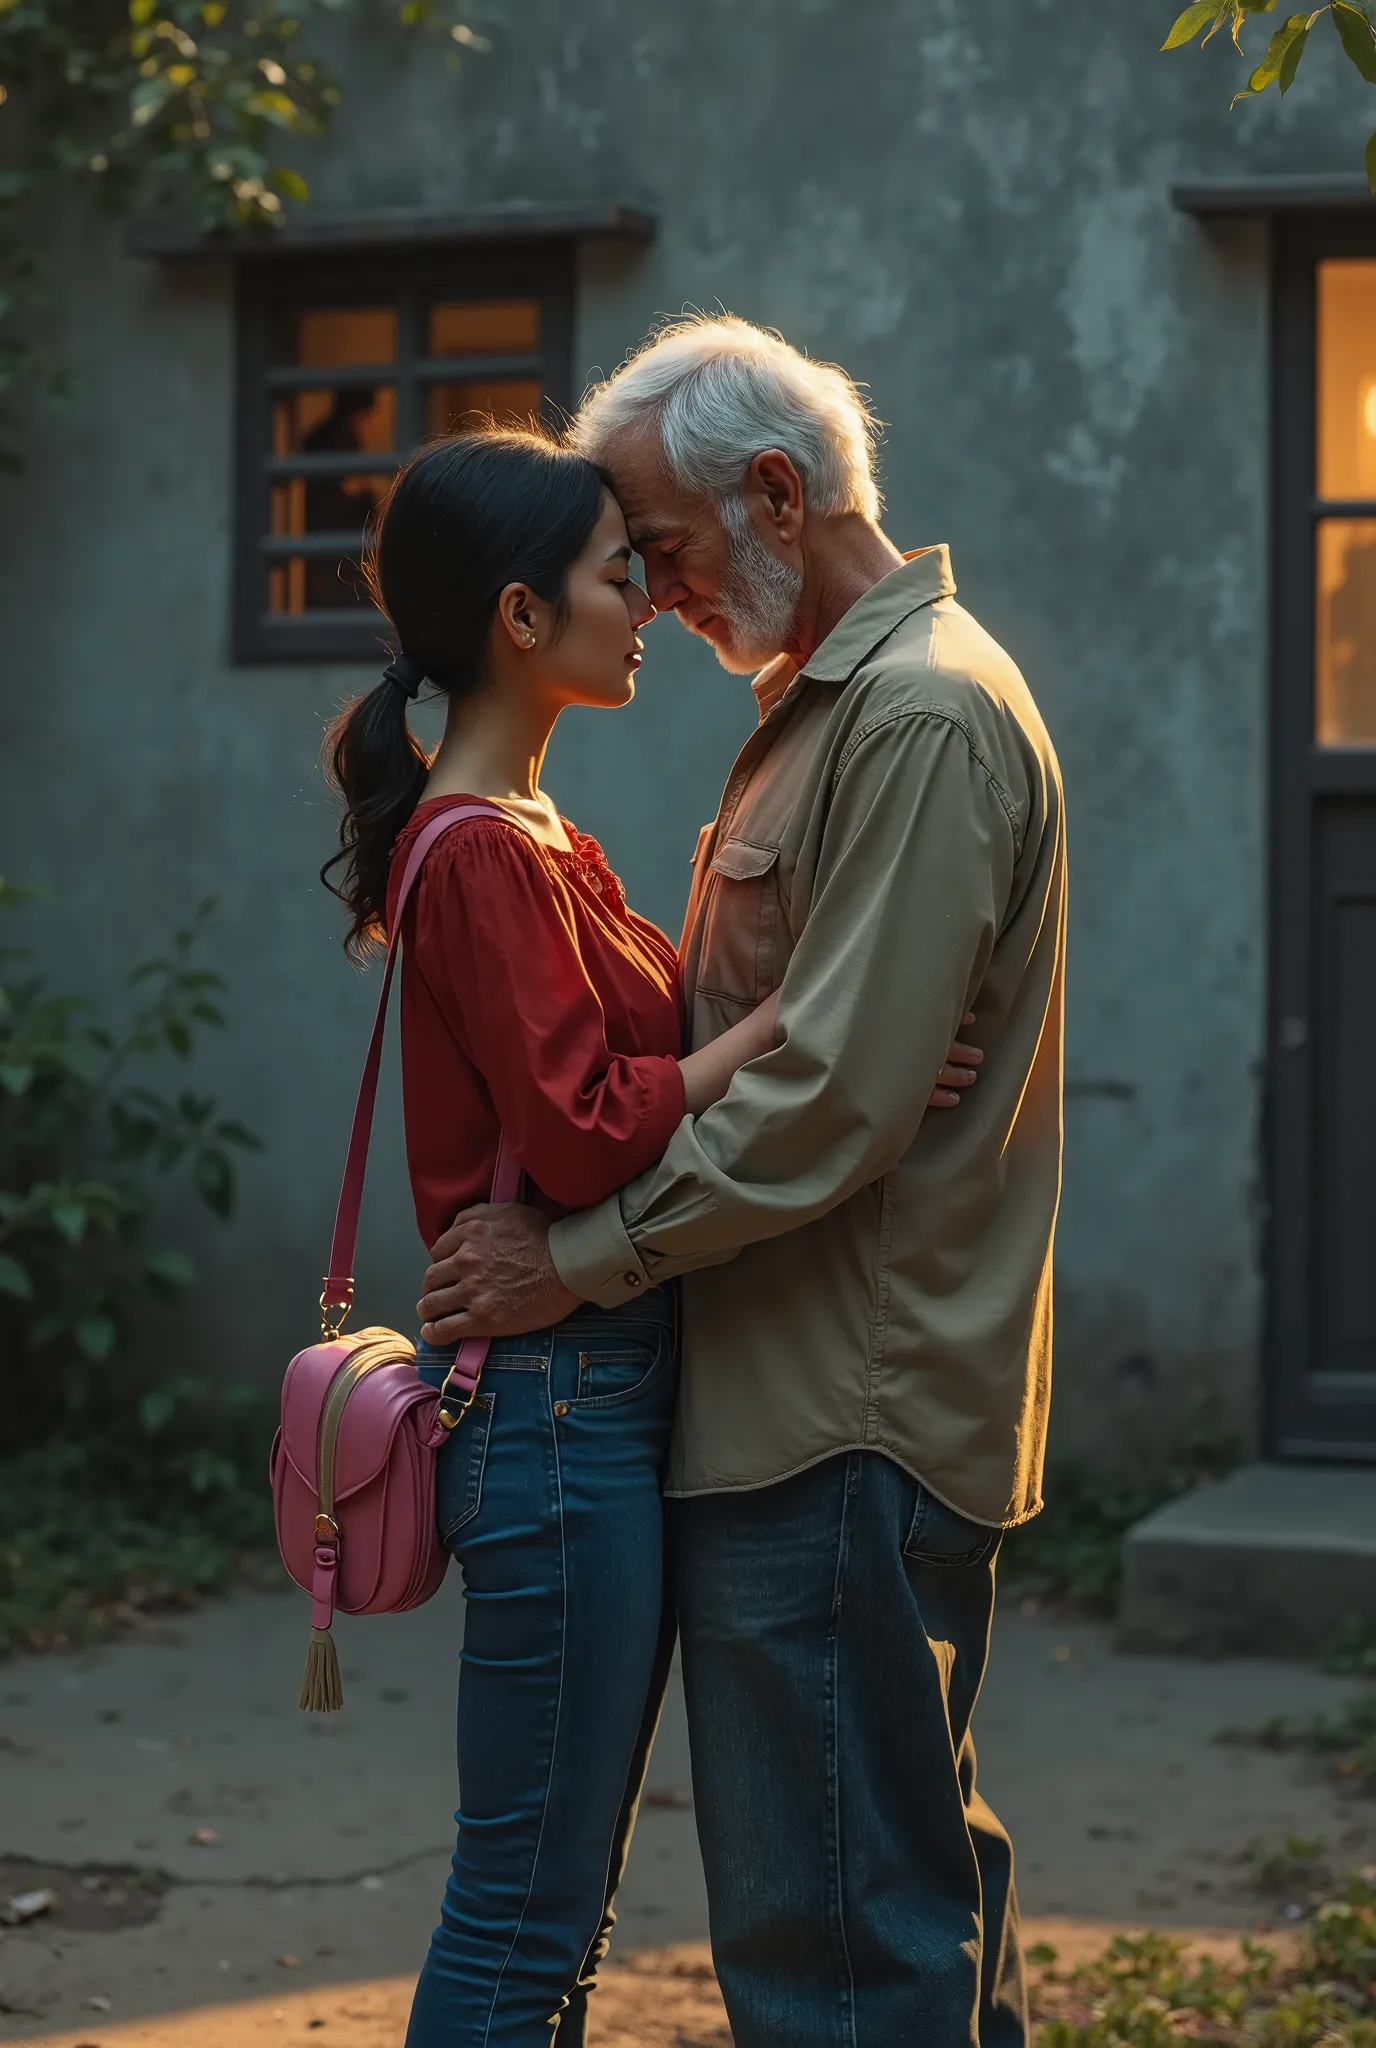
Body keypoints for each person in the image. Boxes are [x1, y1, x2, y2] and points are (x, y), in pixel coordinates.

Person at [418, 318, 1068, 2048]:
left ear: (776, 492)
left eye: (670, 553)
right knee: (901, 1917)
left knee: (838, 1957)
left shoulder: (915, 717)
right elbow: (802, 1058)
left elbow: (828, 1106)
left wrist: (579, 1260)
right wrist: (808, 1050)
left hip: (834, 1415)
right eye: (625, 566)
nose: (661, 592)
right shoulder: (822, 711)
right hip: (803, 1402)